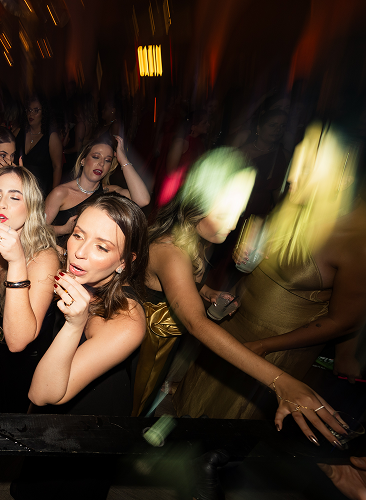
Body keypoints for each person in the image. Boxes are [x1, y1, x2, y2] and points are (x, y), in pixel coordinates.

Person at [131, 148, 343, 443]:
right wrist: (281, 382)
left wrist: (206, 291)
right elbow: (196, 323)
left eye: (238, 213)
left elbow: (177, 282)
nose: (232, 225)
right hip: (140, 344)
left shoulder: (192, 234)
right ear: (195, 203)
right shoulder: (171, 251)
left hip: (163, 343)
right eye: (223, 214)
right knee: (129, 412)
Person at [174, 123, 366, 423]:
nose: (291, 176)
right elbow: (271, 241)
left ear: (342, 180)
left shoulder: (357, 239)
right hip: (234, 323)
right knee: (193, 404)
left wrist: (266, 346)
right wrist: (256, 241)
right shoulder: (300, 201)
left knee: (229, 426)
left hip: (278, 348)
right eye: (295, 163)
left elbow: (344, 321)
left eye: (307, 169)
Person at [19, 194, 149, 499]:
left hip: (88, 425)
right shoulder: (81, 280)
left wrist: (75, 324)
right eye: (78, 235)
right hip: (55, 408)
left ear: (124, 262)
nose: (79, 253)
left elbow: (41, 394)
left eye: (102, 247)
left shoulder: (126, 320)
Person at [0, 166, 60, 412]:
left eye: (15, 197)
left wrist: (17, 261)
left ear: (31, 207)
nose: (1, 204)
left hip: (33, 356)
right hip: (5, 345)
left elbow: (19, 342)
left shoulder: (44, 258)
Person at [45, 134, 150, 248]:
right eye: (96, 157)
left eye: (108, 160)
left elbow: (142, 200)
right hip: (60, 253)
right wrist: (64, 229)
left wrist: (123, 159)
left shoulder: (109, 192)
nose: (101, 163)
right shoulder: (61, 193)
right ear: (83, 160)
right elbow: (37, 228)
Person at [15, 96, 63, 197]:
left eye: (36, 110)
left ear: (44, 113)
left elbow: (57, 167)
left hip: (40, 192)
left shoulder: (51, 137)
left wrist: (53, 194)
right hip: (18, 189)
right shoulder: (19, 132)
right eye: (29, 110)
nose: (31, 114)